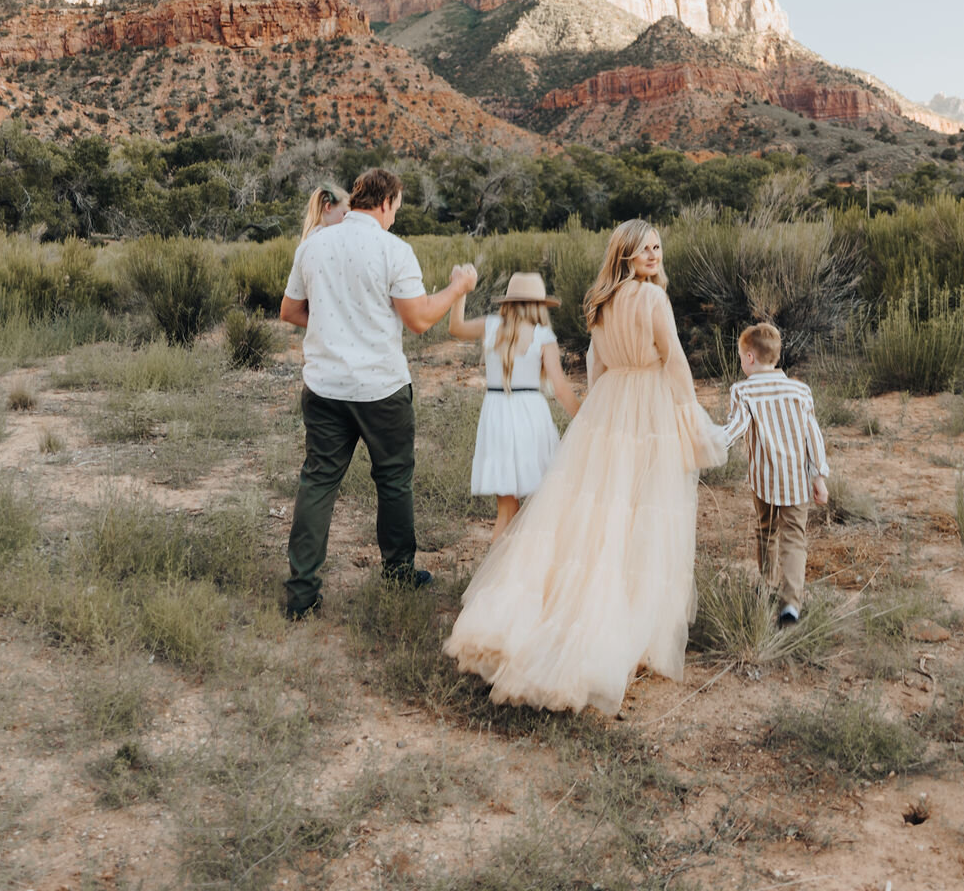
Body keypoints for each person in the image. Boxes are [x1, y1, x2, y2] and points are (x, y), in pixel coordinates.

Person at [443, 220, 726, 715]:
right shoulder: (653, 301)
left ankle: (560, 610)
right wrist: (690, 413)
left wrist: (598, 410)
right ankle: (626, 629)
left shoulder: (601, 304)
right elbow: (675, 359)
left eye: (658, 247)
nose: (655, 255)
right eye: (645, 249)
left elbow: (595, 367)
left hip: (609, 403)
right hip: (648, 404)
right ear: (626, 255)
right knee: (642, 506)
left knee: (594, 508)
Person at [279, 166, 477, 619]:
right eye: (397, 210)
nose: (395, 219)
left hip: (325, 387)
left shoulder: (312, 246)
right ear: (386, 203)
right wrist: (458, 286)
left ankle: (301, 596)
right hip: (382, 390)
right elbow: (420, 320)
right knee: (392, 481)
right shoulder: (394, 250)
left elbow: (289, 311)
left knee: (318, 483)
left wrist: (332, 325)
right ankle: (398, 572)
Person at [448, 271, 580, 543]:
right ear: (540, 306)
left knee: (507, 510)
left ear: (508, 301)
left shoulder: (491, 325)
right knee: (542, 500)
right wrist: (585, 417)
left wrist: (458, 290)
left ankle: (497, 577)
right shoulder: (543, 335)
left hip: (496, 414)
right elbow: (560, 387)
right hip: (531, 416)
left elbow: (455, 328)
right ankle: (528, 568)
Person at [723, 322, 829, 628]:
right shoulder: (800, 390)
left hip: (764, 481)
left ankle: (768, 584)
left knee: (766, 531)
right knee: (795, 538)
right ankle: (790, 605)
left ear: (750, 358)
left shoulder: (743, 390)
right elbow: (813, 435)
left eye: (742, 356)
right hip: (797, 480)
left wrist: (706, 442)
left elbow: (734, 430)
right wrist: (818, 477)